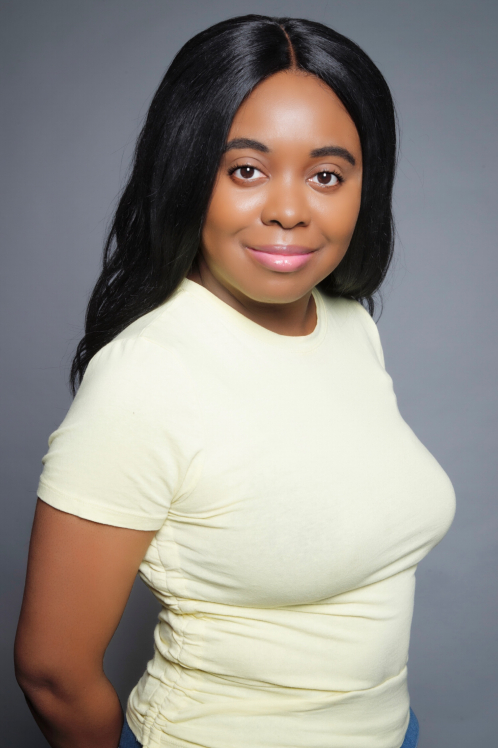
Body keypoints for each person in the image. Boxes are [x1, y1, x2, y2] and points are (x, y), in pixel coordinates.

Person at [14, 14, 455, 748]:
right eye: (245, 169)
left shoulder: (349, 324)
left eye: (326, 175)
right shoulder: (147, 375)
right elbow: (53, 673)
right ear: (188, 174)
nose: (288, 209)